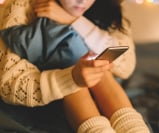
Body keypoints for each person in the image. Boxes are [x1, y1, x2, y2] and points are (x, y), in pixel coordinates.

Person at [0, 0, 150, 132]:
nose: (81, 1)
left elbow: (126, 65)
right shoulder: (21, 6)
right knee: (74, 66)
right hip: (49, 93)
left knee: (100, 66)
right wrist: (72, 78)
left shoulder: (107, 5)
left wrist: (74, 20)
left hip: (101, 85)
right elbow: (9, 85)